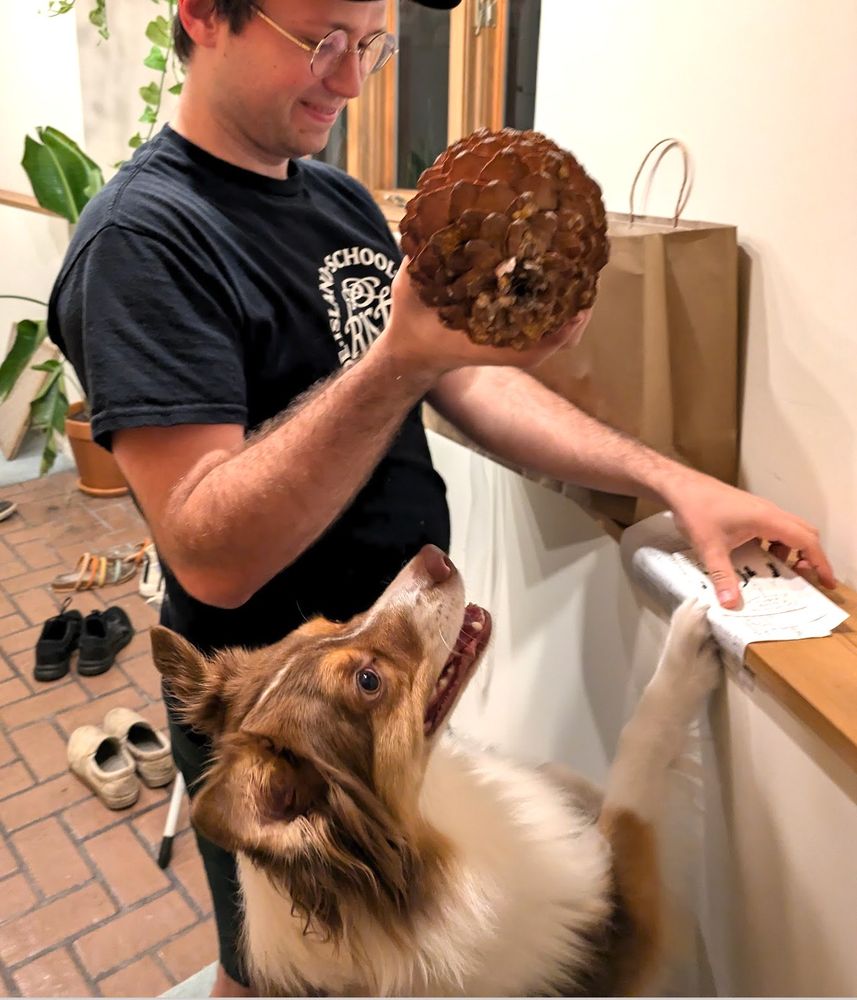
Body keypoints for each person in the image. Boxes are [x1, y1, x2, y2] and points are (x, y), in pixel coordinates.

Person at [48, 0, 834, 992]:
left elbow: (460, 381)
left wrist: (671, 478)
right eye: (321, 39)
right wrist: (397, 358)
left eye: (371, 46)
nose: (350, 77)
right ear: (202, 13)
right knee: (283, 970)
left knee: (405, 948)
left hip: (391, 677)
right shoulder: (143, 240)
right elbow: (208, 545)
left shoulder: (332, 201)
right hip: (288, 734)